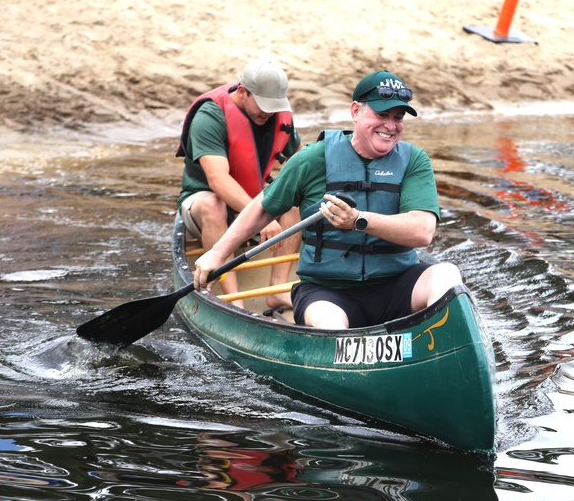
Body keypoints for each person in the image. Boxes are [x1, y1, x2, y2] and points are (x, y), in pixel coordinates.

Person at [191, 70, 463, 329]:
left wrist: (358, 221)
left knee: (446, 275)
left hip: (396, 284)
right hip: (329, 292)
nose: (390, 126)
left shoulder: (414, 160)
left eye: (398, 117)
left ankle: (450, 347)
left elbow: (422, 232)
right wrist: (217, 253)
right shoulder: (312, 159)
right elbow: (263, 208)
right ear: (356, 111)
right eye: (382, 114)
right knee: (330, 323)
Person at [176, 58, 302, 308]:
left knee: (294, 202)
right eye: (264, 105)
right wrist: (258, 213)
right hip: (203, 199)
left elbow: (299, 162)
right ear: (242, 92)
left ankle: (276, 290)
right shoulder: (210, 115)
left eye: (274, 106)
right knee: (214, 205)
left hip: (254, 192)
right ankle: (233, 302)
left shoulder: (277, 116)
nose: (268, 112)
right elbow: (217, 180)